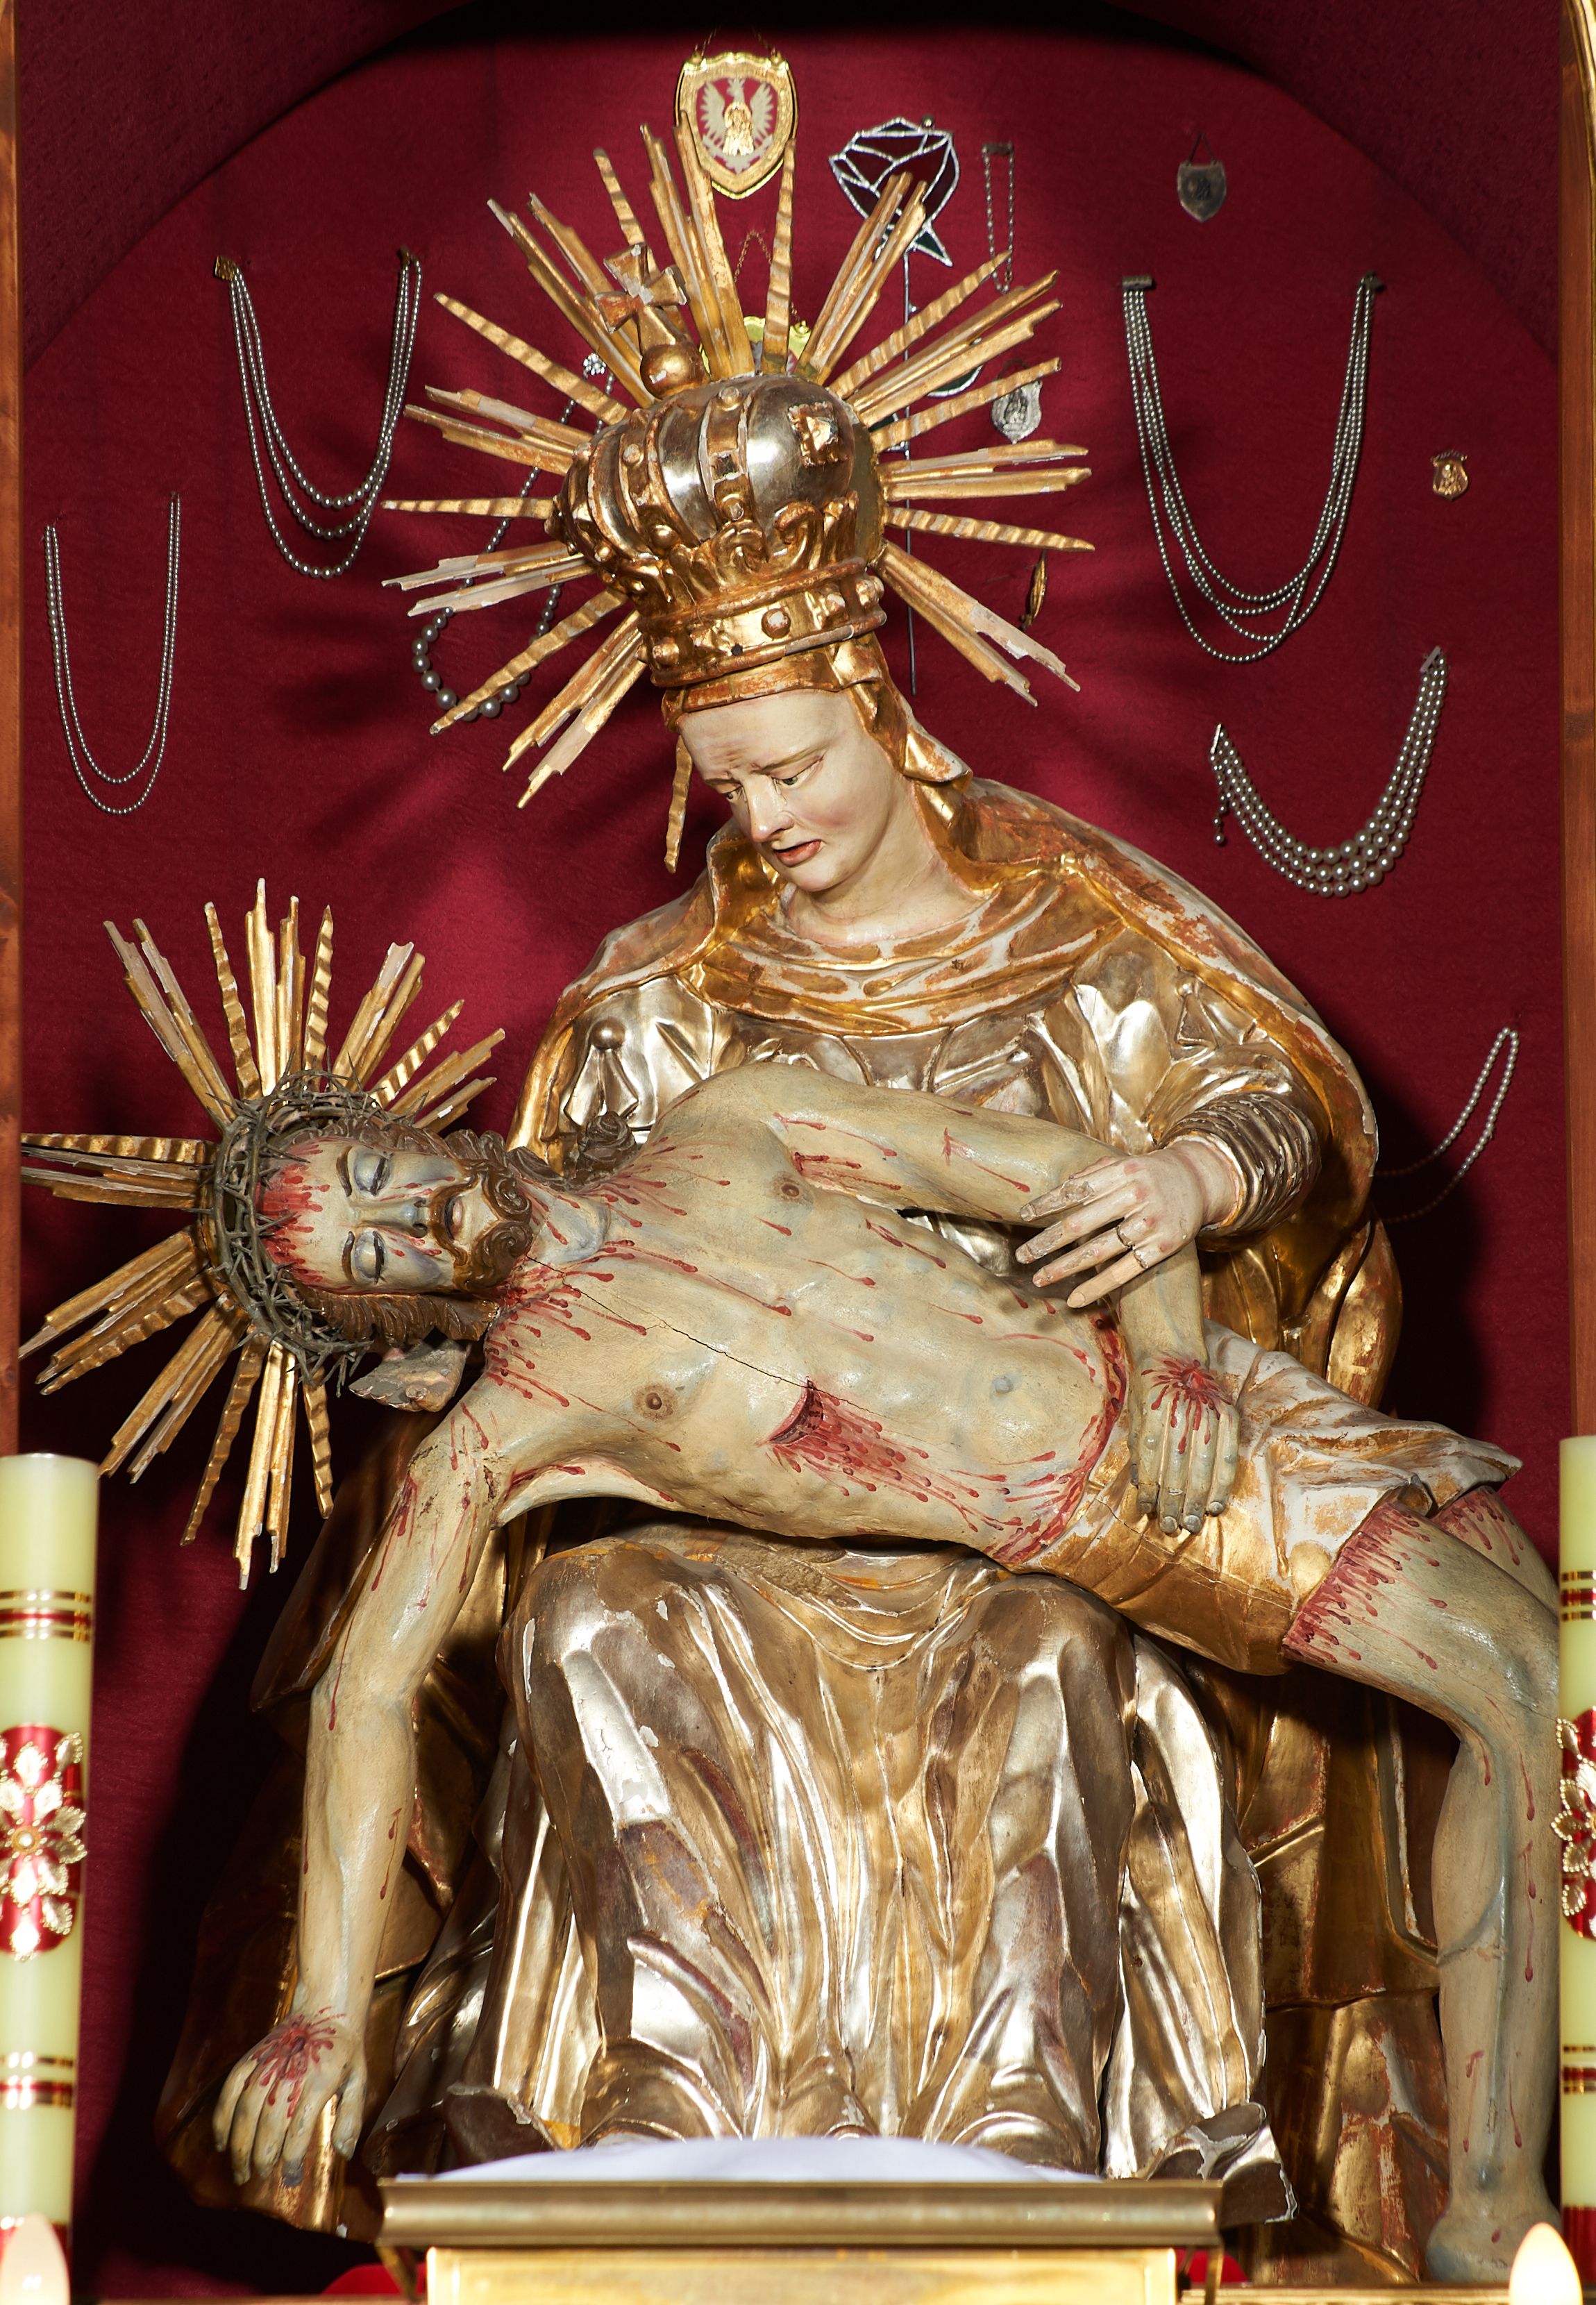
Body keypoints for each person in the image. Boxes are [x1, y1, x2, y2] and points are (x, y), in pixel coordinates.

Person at [160, 101, 1516, 2281]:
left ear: (878, 700)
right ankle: (655, 2152)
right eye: (726, 787)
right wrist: (323, 1994)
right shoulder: (655, 1016)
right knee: (590, 1633)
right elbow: (412, 1587)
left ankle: (1051, 2170)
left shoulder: (1042, 924)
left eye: (794, 768)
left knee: (1072, 1654)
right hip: (713, 1544)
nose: (769, 822)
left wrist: (1182, 1199)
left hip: (1065, 1495)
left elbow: (1266, 1116)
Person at [208, 1066, 1552, 2286]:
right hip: (1149, 1514)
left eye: (376, 1178)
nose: (416, 1221)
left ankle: (1506, 2192)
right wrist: (321, 2012)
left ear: (406, 1131)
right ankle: (1496, 2208)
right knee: (1532, 1692)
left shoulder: (728, 1125)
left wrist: (1174, 1362)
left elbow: (1072, 1178)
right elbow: (362, 1692)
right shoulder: (510, 1421)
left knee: (1553, 1655)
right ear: (385, 1310)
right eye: (371, 1254)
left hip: (1198, 1403)